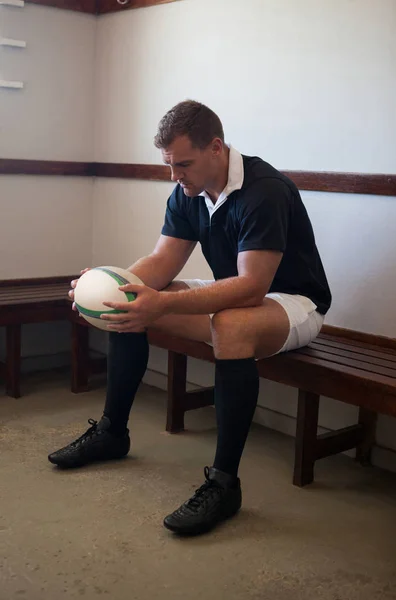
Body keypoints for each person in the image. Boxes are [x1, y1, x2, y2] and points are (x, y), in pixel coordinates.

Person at [49, 100, 331, 536]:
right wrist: (110, 284)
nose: (174, 175)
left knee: (230, 325)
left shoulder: (264, 190)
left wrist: (162, 304)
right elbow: (162, 262)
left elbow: (252, 287)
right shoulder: (188, 191)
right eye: (169, 165)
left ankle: (224, 484)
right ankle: (112, 433)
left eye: (183, 163)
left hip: (294, 302)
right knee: (131, 299)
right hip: (241, 293)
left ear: (216, 148)